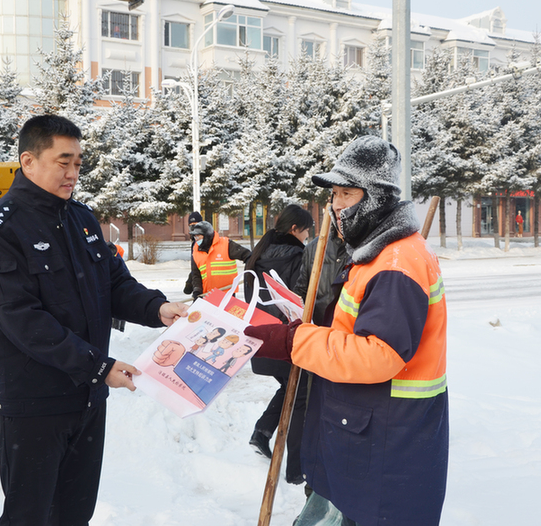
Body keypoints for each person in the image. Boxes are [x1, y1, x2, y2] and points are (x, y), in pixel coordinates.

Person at [0, 114, 188, 526]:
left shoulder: (81, 219)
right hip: (33, 405)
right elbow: (23, 321)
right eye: (63, 162)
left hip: (86, 400)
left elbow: (116, 284)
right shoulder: (1, 230)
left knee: (74, 515)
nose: (73, 173)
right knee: (28, 517)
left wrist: (158, 309)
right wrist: (99, 366)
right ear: (28, 161)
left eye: (78, 163)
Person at [244, 136, 449, 526]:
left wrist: (294, 341)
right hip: (371, 429)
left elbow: (377, 354)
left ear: (375, 197)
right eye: (334, 194)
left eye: (345, 194)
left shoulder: (395, 262)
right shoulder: (378, 252)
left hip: (388, 438)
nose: (335, 206)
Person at [242, 204, 314, 485]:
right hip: (286, 339)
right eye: (306, 231)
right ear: (295, 229)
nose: (308, 237)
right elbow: (301, 299)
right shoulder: (297, 256)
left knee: (291, 388)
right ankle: (297, 468)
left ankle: (262, 431)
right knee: (302, 395)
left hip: (261, 338)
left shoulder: (259, 253)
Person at [188, 220, 251, 299]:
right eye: (195, 236)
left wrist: (252, 272)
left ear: (207, 235)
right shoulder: (196, 251)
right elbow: (196, 275)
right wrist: (197, 291)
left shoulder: (226, 244)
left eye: (198, 236)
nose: (196, 238)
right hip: (207, 295)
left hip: (227, 294)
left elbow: (247, 256)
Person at [184, 211, 203, 295]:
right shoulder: (195, 243)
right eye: (192, 227)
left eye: (197, 226)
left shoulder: (205, 242)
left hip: (207, 286)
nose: (194, 230)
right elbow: (196, 266)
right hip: (198, 283)